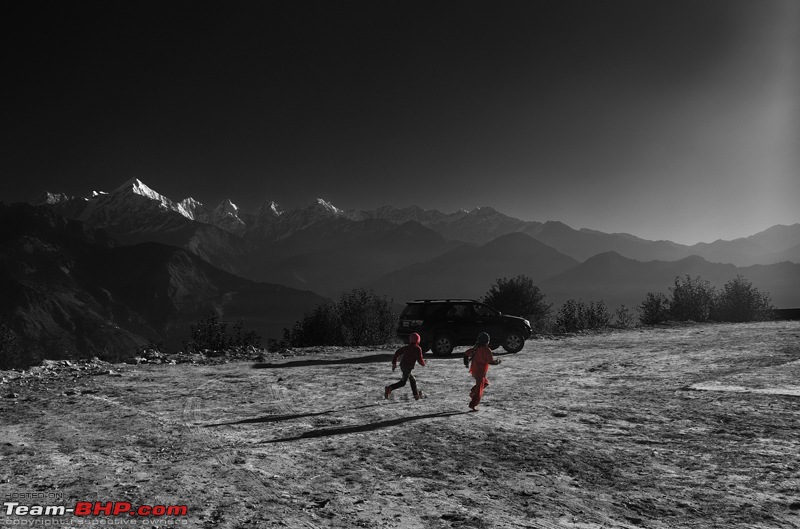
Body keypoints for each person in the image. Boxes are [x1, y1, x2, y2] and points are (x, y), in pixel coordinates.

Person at [462, 332, 501, 411]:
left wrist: (466, 363)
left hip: (475, 370)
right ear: (487, 341)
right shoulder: (487, 350)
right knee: (479, 390)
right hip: (480, 372)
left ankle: (473, 391)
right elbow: (490, 362)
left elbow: (465, 354)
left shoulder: (476, 349)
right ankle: (473, 404)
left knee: (485, 383)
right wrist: (497, 362)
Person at [385, 332, 426, 400]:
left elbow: (397, 352)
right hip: (408, 367)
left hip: (403, 366)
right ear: (418, 340)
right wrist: (423, 363)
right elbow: (420, 360)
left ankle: (416, 394)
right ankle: (389, 388)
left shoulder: (406, 347)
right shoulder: (418, 348)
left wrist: (394, 363)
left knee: (412, 379)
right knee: (403, 383)